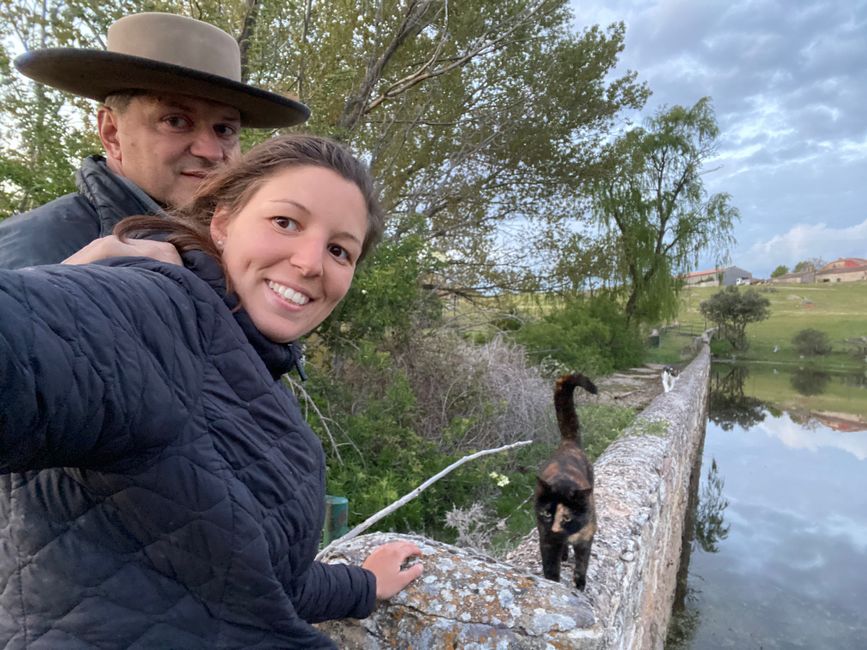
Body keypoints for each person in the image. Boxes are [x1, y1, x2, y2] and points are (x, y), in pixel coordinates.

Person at [0, 134, 422, 648]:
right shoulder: (154, 308)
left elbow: (256, 580)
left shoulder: (246, 366)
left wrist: (362, 584)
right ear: (221, 223)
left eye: (340, 250)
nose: (311, 262)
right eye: (285, 222)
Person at [0, 11, 309, 269]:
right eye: (176, 121)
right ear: (112, 133)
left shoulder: (233, 249)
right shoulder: (32, 252)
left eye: (224, 130)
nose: (211, 151)